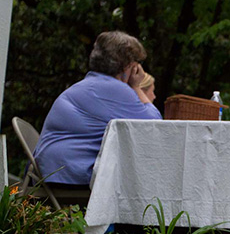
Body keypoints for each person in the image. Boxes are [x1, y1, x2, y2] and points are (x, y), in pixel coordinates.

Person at [32, 31, 162, 186]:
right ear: (129, 66)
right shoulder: (114, 89)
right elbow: (156, 126)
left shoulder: (92, 84)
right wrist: (136, 87)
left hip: (54, 169)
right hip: (67, 173)